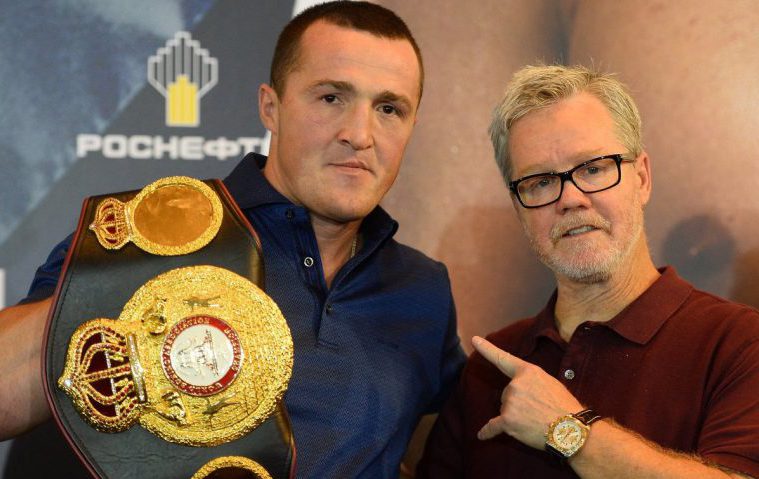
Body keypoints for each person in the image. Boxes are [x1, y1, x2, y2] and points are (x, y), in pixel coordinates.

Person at [0, 2, 465, 478]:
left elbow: (434, 451)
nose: (360, 134)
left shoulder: (421, 290)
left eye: (389, 109)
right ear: (271, 108)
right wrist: (118, 286)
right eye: (331, 98)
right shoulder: (152, 236)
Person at [416, 64, 759, 478]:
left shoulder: (740, 343)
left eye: (593, 168)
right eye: (540, 182)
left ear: (642, 178)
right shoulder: (490, 367)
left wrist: (568, 430)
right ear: (518, 208)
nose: (571, 198)